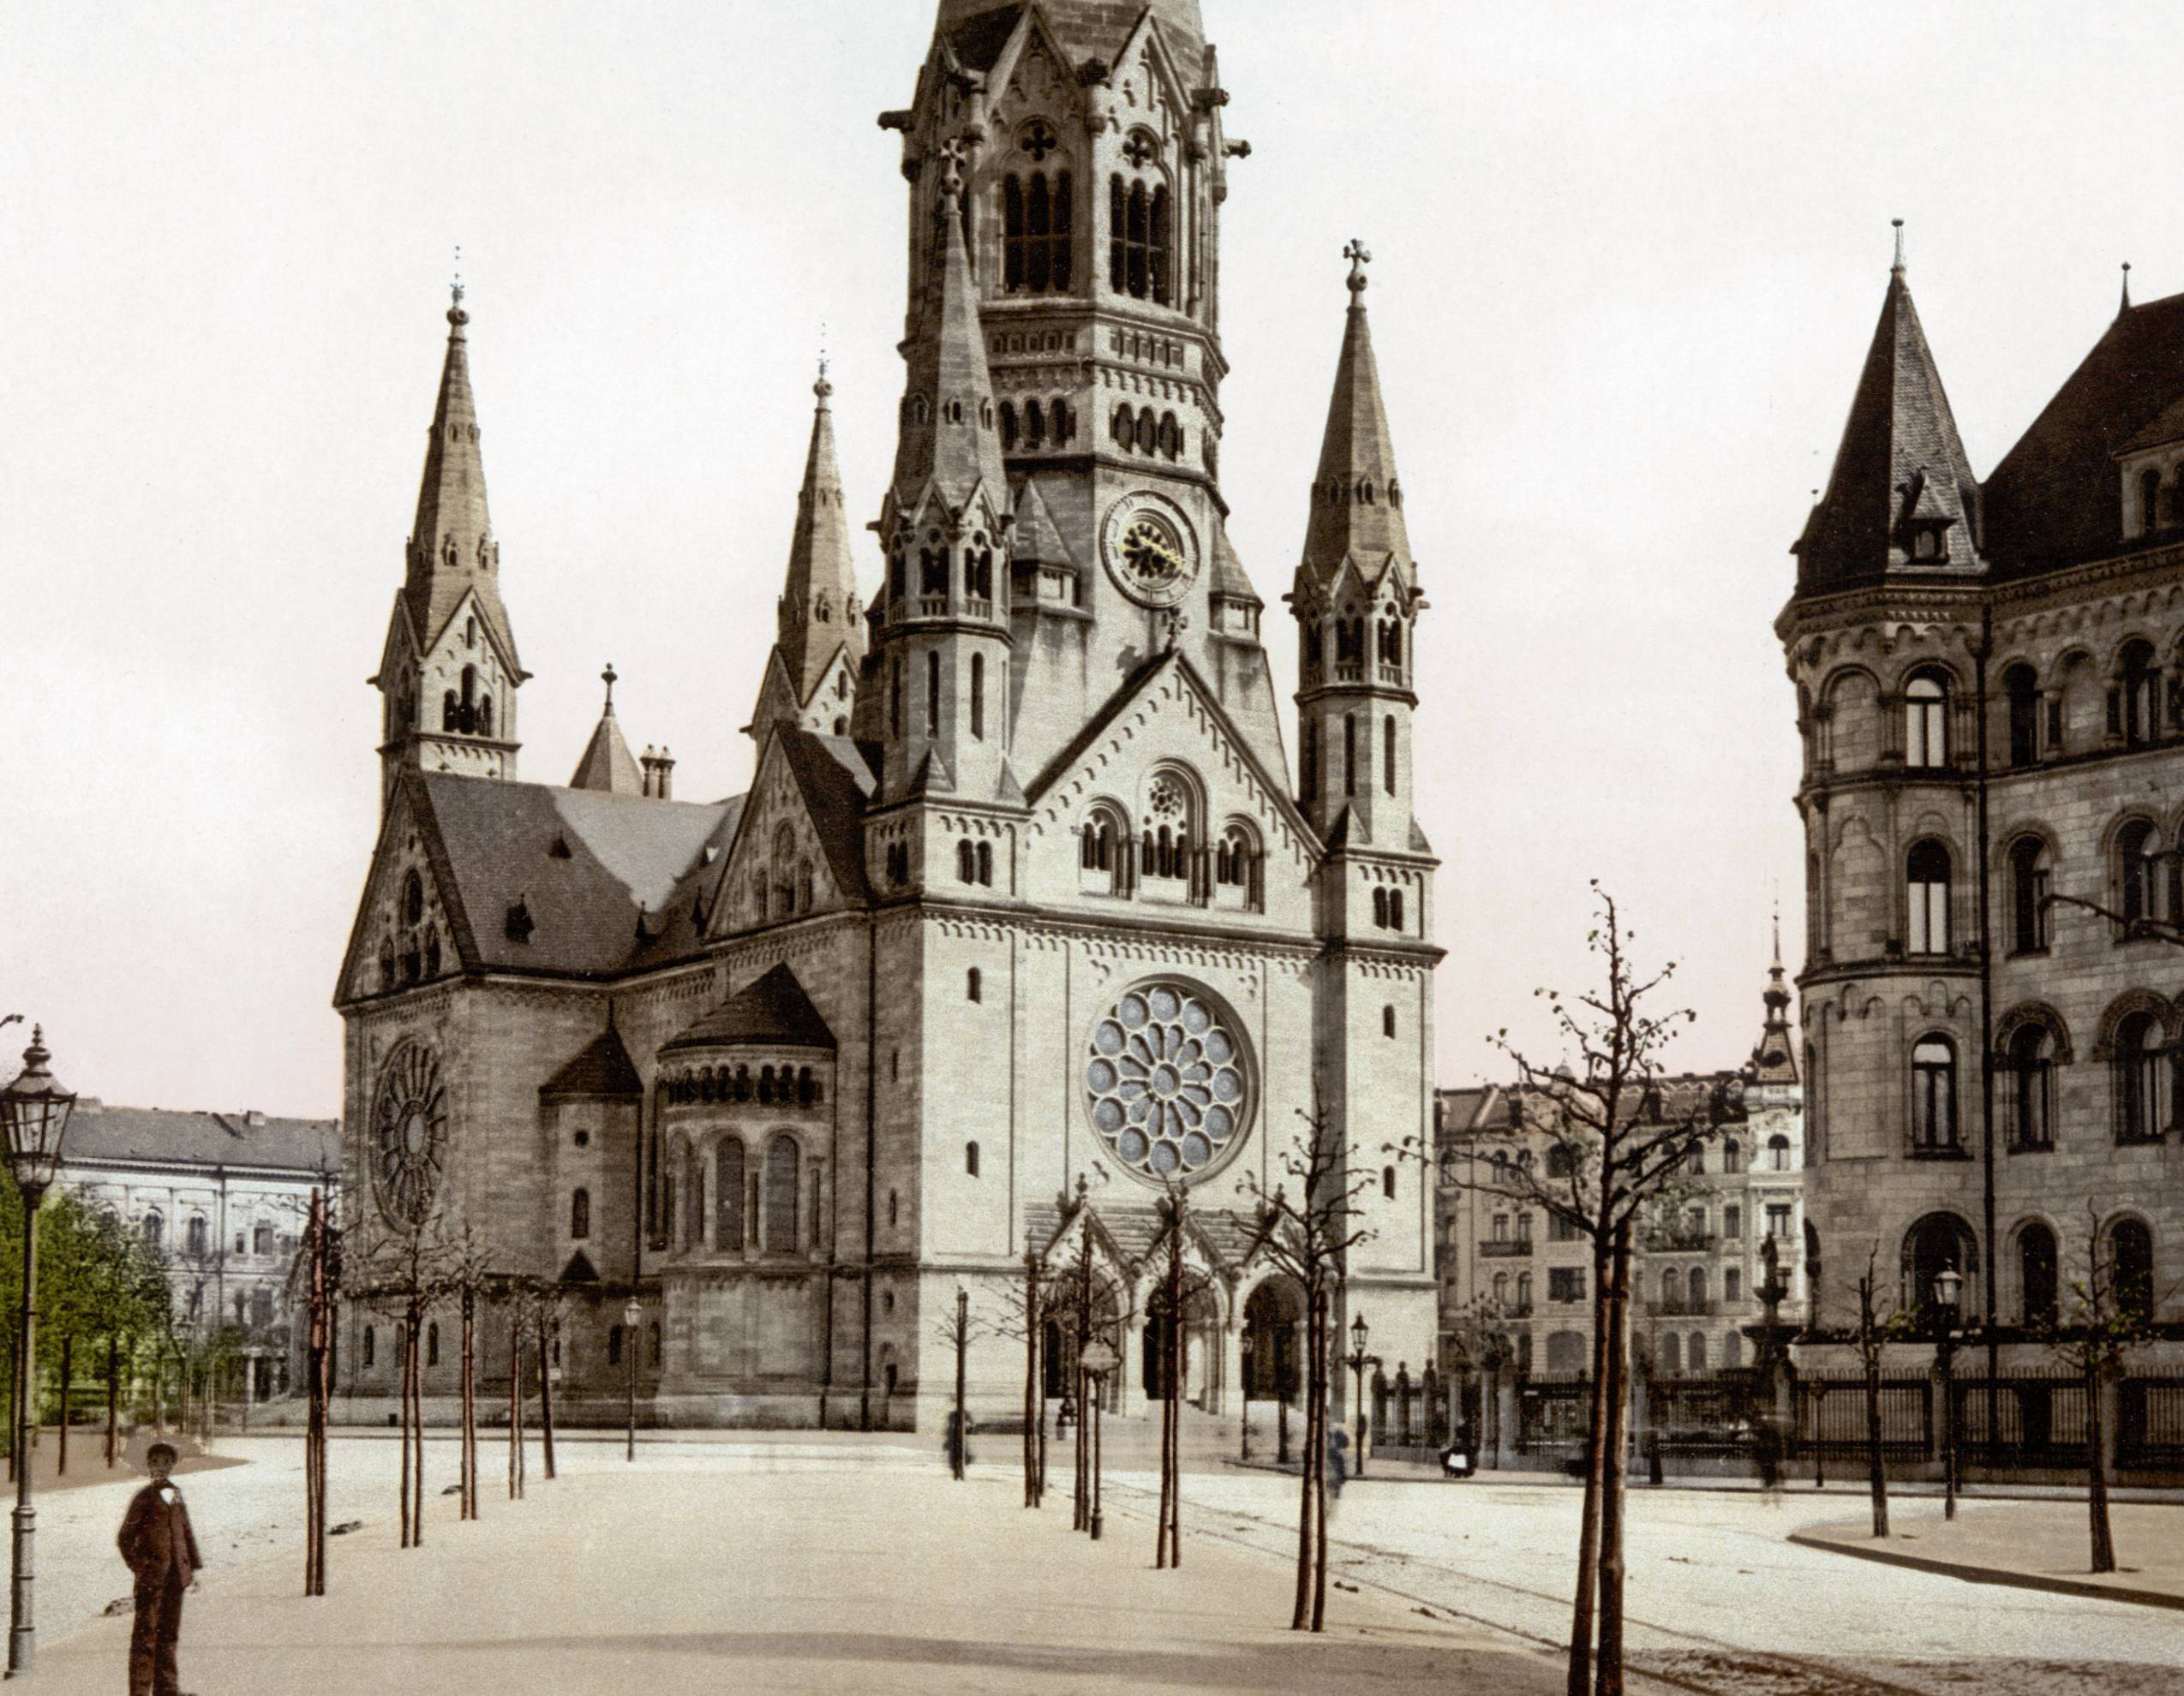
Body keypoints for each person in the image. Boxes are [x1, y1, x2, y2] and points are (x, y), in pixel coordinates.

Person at [117, 1441, 201, 1696]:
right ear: (148, 1466)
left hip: (176, 1577)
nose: (161, 1467)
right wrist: (140, 1568)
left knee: (169, 1635)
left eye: (167, 1462)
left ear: (172, 1465)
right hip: (151, 1580)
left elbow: (186, 1531)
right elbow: (125, 1537)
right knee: (146, 1638)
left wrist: (192, 1567)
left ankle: (167, 1689)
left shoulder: (175, 1494)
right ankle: (140, 1691)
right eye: (156, 1463)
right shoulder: (143, 1498)